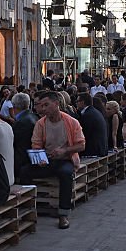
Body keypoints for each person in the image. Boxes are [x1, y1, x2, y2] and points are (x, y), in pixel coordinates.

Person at [25, 91, 86, 229]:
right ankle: (30, 208)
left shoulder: (71, 122)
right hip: (46, 160)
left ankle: (63, 214)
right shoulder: (41, 124)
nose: (44, 108)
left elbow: (81, 144)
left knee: (66, 174)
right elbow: (36, 144)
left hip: (65, 160)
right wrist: (39, 157)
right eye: (42, 105)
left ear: (57, 104)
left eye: (47, 105)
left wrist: (64, 150)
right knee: (24, 171)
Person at [76, 92, 109, 158]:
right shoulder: (94, 111)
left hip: (93, 151)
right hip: (101, 149)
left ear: (83, 102)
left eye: (77, 101)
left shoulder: (88, 115)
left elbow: (84, 134)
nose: (76, 103)